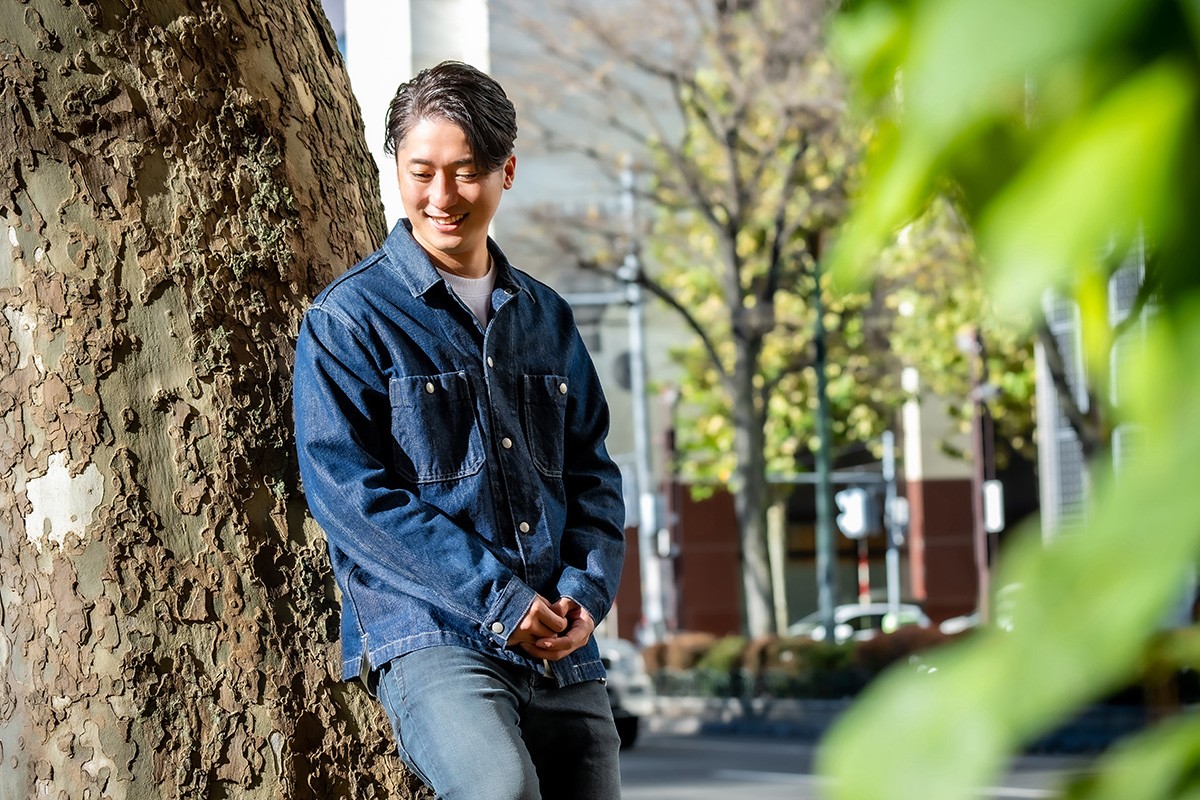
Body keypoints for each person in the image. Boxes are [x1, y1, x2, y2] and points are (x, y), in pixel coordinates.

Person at [292, 60, 627, 800]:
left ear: (507, 172)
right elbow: (350, 496)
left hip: (559, 643)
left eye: (466, 172)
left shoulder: (547, 319)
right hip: (434, 635)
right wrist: (500, 604)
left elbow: (594, 477)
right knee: (499, 790)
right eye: (422, 171)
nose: (441, 197)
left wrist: (585, 596)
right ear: (397, 171)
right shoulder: (348, 321)